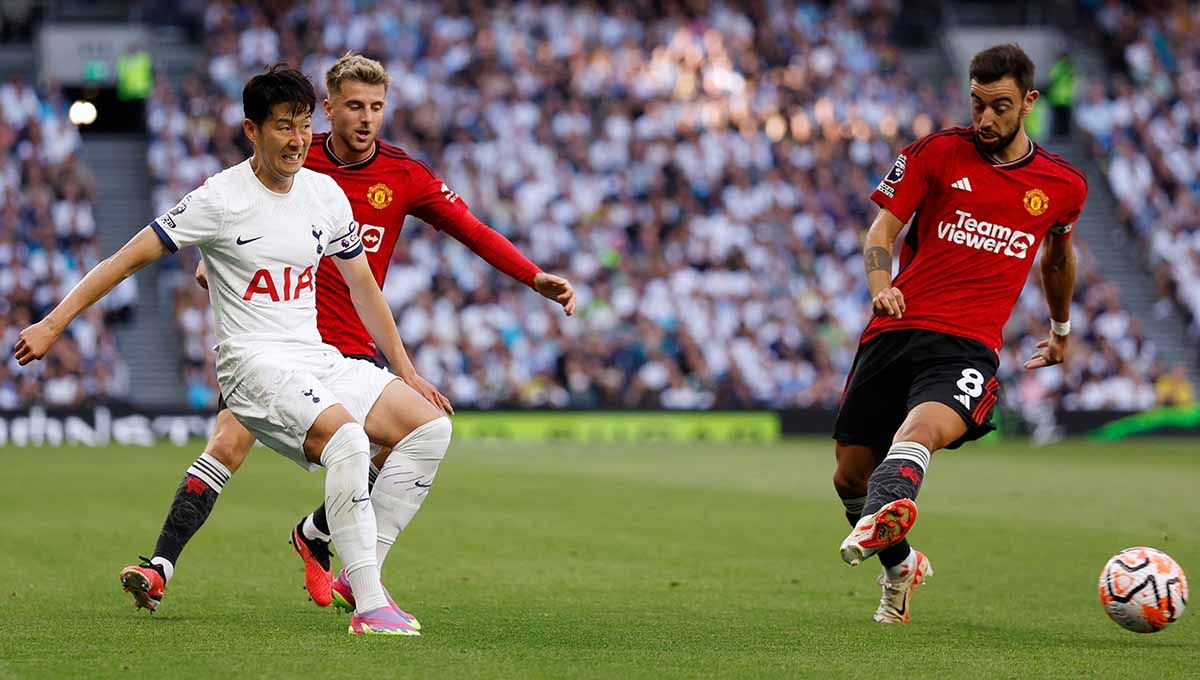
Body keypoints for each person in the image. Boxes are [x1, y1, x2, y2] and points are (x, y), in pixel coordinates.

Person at [118, 53, 576, 621]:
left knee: (395, 447)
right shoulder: (293, 159)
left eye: (376, 108)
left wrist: (531, 274)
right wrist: (215, 261)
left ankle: (324, 543)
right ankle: (160, 565)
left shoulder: (404, 175)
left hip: (350, 348)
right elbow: (242, 216)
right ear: (326, 109)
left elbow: (473, 230)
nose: (365, 119)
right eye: (354, 106)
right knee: (228, 445)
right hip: (274, 344)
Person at [16, 65, 453, 636]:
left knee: (429, 428)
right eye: (281, 127)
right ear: (252, 130)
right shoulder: (220, 199)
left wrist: (408, 373)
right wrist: (52, 324)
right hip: (250, 365)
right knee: (347, 440)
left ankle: (354, 573)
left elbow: (365, 290)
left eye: (302, 125)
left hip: (312, 354)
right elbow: (124, 260)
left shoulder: (325, 195)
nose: (297, 140)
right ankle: (371, 606)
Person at [830, 44, 1088, 624]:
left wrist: (1062, 328)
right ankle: (899, 565)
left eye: (999, 106)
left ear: (1029, 101)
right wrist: (880, 284)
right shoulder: (937, 152)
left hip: (968, 342)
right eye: (977, 104)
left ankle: (893, 499)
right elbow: (882, 230)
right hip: (896, 326)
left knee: (922, 427)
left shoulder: (1062, 185)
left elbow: (1056, 259)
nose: (986, 119)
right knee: (849, 472)